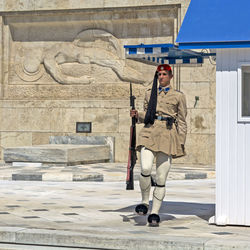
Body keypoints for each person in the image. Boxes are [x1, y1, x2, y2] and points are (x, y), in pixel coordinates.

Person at [130, 64, 187, 227]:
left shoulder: (178, 96)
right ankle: (144, 202)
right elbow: (147, 114)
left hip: (167, 135)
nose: (161, 77)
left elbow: (182, 121)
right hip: (149, 133)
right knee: (145, 169)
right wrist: (137, 115)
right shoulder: (150, 94)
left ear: (170, 76)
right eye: (159, 74)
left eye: (163, 74)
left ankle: (154, 212)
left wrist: (181, 142)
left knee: (161, 178)